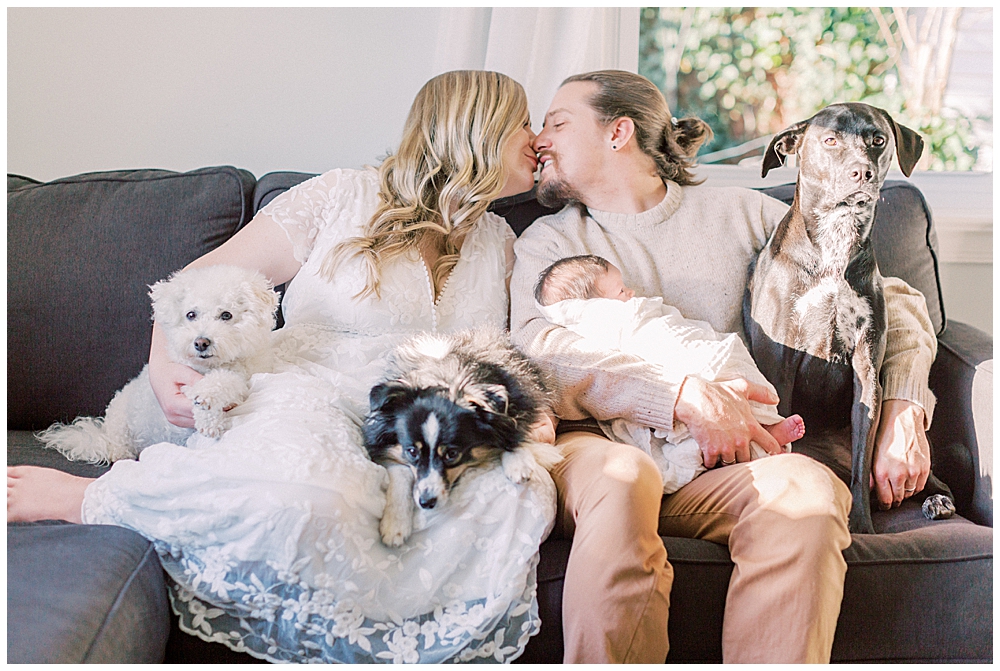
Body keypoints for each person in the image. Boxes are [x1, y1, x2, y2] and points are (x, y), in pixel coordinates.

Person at [8, 70, 558, 664]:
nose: (537, 137)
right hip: (307, 390)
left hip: (411, 422)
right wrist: (166, 367)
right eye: (523, 121)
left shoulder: (503, 241)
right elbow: (197, 284)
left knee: (516, 499)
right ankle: (97, 498)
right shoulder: (341, 196)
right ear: (475, 127)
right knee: (307, 498)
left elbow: (513, 357)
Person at [510, 70, 938, 663]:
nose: (540, 140)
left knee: (807, 493)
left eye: (557, 123)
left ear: (619, 133)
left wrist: (903, 407)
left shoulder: (744, 215)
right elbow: (542, 357)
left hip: (730, 459)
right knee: (624, 480)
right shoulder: (547, 243)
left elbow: (895, 300)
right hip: (603, 447)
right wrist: (680, 396)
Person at [534, 254, 804, 493]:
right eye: (620, 291)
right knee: (684, 434)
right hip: (669, 386)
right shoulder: (603, 323)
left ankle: (767, 427)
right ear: (590, 308)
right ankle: (761, 439)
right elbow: (548, 354)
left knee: (731, 371)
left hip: (706, 356)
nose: (631, 294)